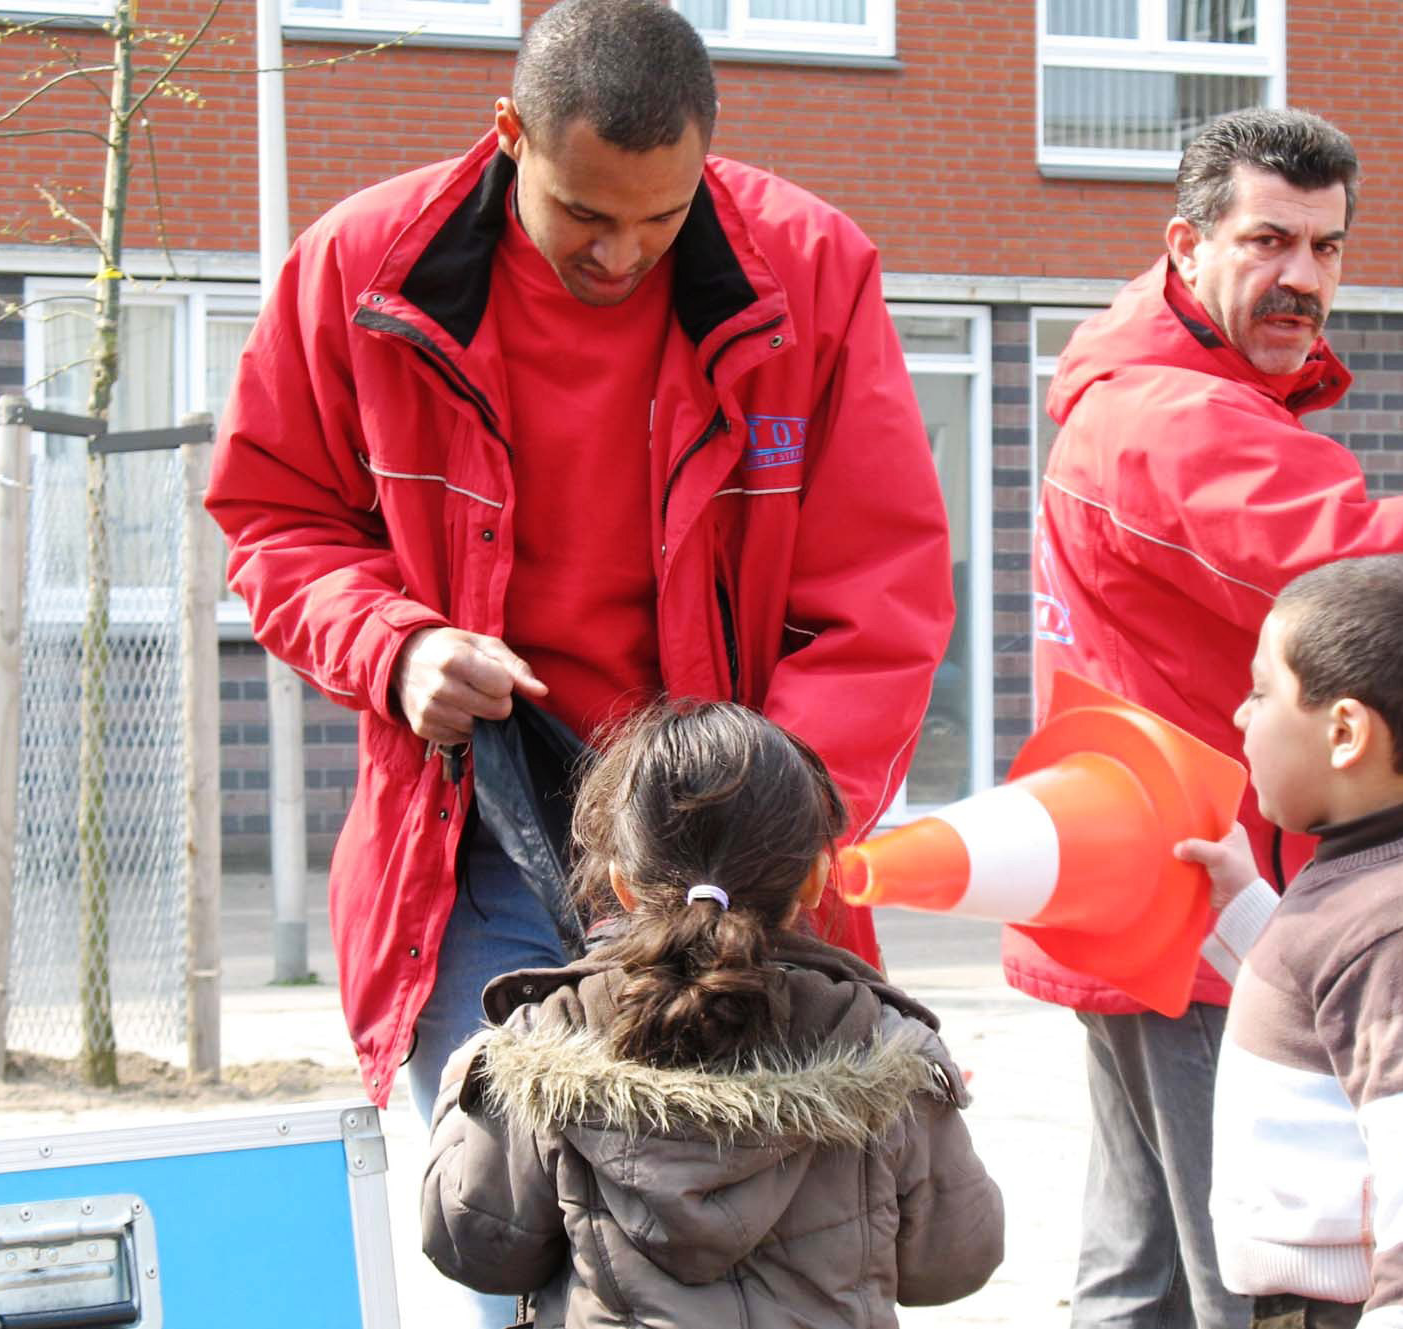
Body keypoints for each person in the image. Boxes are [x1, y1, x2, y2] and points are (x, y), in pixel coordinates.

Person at [205, 0, 951, 1128]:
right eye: (583, 212)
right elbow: (273, 516)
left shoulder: (811, 271)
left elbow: (879, 594)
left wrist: (776, 820)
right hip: (479, 831)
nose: (621, 253)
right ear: (509, 131)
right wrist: (397, 648)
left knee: (732, 1218)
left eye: (662, 215)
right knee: (506, 1207)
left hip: (720, 850)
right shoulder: (361, 269)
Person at [1013, 106, 1403, 1329]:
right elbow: (1382, 585)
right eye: (1266, 242)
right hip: (1196, 910)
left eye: (1326, 249)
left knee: (1138, 1274)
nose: (1301, 277)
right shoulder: (1168, 421)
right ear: (1184, 247)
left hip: (1171, 888)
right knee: (1251, 1276)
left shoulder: (1179, 395)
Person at [420, 701, 1005, 1328]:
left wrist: (470, 1087)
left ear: (621, 885)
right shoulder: (878, 1045)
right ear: (812, 881)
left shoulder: (550, 1039)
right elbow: (955, 1261)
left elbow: (474, 1245)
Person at [1175, 554, 1403, 1329]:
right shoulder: (1372, 870)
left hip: (1376, 1305)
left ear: (1344, 731)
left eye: (1262, 692)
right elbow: (1327, 1005)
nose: (1241, 715)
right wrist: (1240, 908)